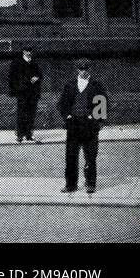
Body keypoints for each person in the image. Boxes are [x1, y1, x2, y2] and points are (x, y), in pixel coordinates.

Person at [58, 59, 108, 195]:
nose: (83, 71)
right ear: (77, 70)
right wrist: (67, 116)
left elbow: (103, 102)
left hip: (90, 125)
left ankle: (90, 184)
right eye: (81, 69)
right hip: (74, 125)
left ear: (89, 69)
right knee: (71, 156)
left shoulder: (97, 85)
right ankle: (70, 185)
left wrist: (97, 120)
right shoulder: (70, 85)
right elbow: (62, 103)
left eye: (86, 69)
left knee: (90, 156)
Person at [8, 47, 43, 143]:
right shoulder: (17, 62)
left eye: (30, 51)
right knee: (21, 113)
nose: (29, 53)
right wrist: (17, 88)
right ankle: (20, 134)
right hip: (22, 92)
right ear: (23, 51)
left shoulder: (34, 63)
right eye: (27, 51)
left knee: (31, 113)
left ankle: (28, 134)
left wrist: (37, 77)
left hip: (33, 93)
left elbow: (40, 74)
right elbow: (12, 77)